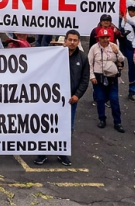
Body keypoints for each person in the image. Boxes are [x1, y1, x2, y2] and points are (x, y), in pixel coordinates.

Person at [35, 30, 87, 167]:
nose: (72, 42)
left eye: (75, 40)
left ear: (79, 42)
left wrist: (77, 95)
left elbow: (84, 79)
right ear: (65, 41)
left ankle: (62, 153)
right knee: (47, 125)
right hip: (52, 99)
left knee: (67, 127)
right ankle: (42, 153)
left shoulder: (82, 58)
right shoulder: (54, 55)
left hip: (70, 101)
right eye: (69, 39)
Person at [88, 26, 125, 133]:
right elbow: (90, 63)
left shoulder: (113, 46)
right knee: (100, 99)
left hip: (112, 78)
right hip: (98, 77)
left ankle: (117, 122)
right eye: (102, 37)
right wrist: (92, 76)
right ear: (98, 38)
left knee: (114, 100)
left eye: (107, 37)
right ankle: (102, 119)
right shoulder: (94, 48)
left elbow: (122, 59)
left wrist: (117, 51)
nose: (105, 39)